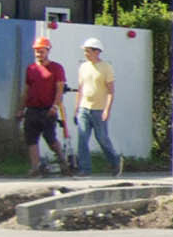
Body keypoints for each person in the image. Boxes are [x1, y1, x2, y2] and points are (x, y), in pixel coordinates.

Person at [22, 33, 70, 176]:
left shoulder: (56, 68)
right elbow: (26, 90)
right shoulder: (30, 69)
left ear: (48, 51)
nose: (39, 54)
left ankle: (63, 162)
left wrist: (55, 106)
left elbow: (59, 89)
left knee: (50, 138)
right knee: (31, 138)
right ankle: (35, 167)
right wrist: (21, 108)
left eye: (42, 51)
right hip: (32, 108)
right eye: (37, 51)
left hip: (48, 109)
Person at [72, 37, 121, 176]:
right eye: (85, 51)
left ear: (96, 52)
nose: (85, 54)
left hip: (99, 109)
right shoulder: (83, 67)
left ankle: (115, 162)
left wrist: (107, 110)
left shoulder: (106, 67)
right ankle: (85, 169)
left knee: (102, 138)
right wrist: (76, 108)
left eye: (88, 51)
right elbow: (80, 89)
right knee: (82, 138)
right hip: (84, 108)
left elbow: (111, 91)